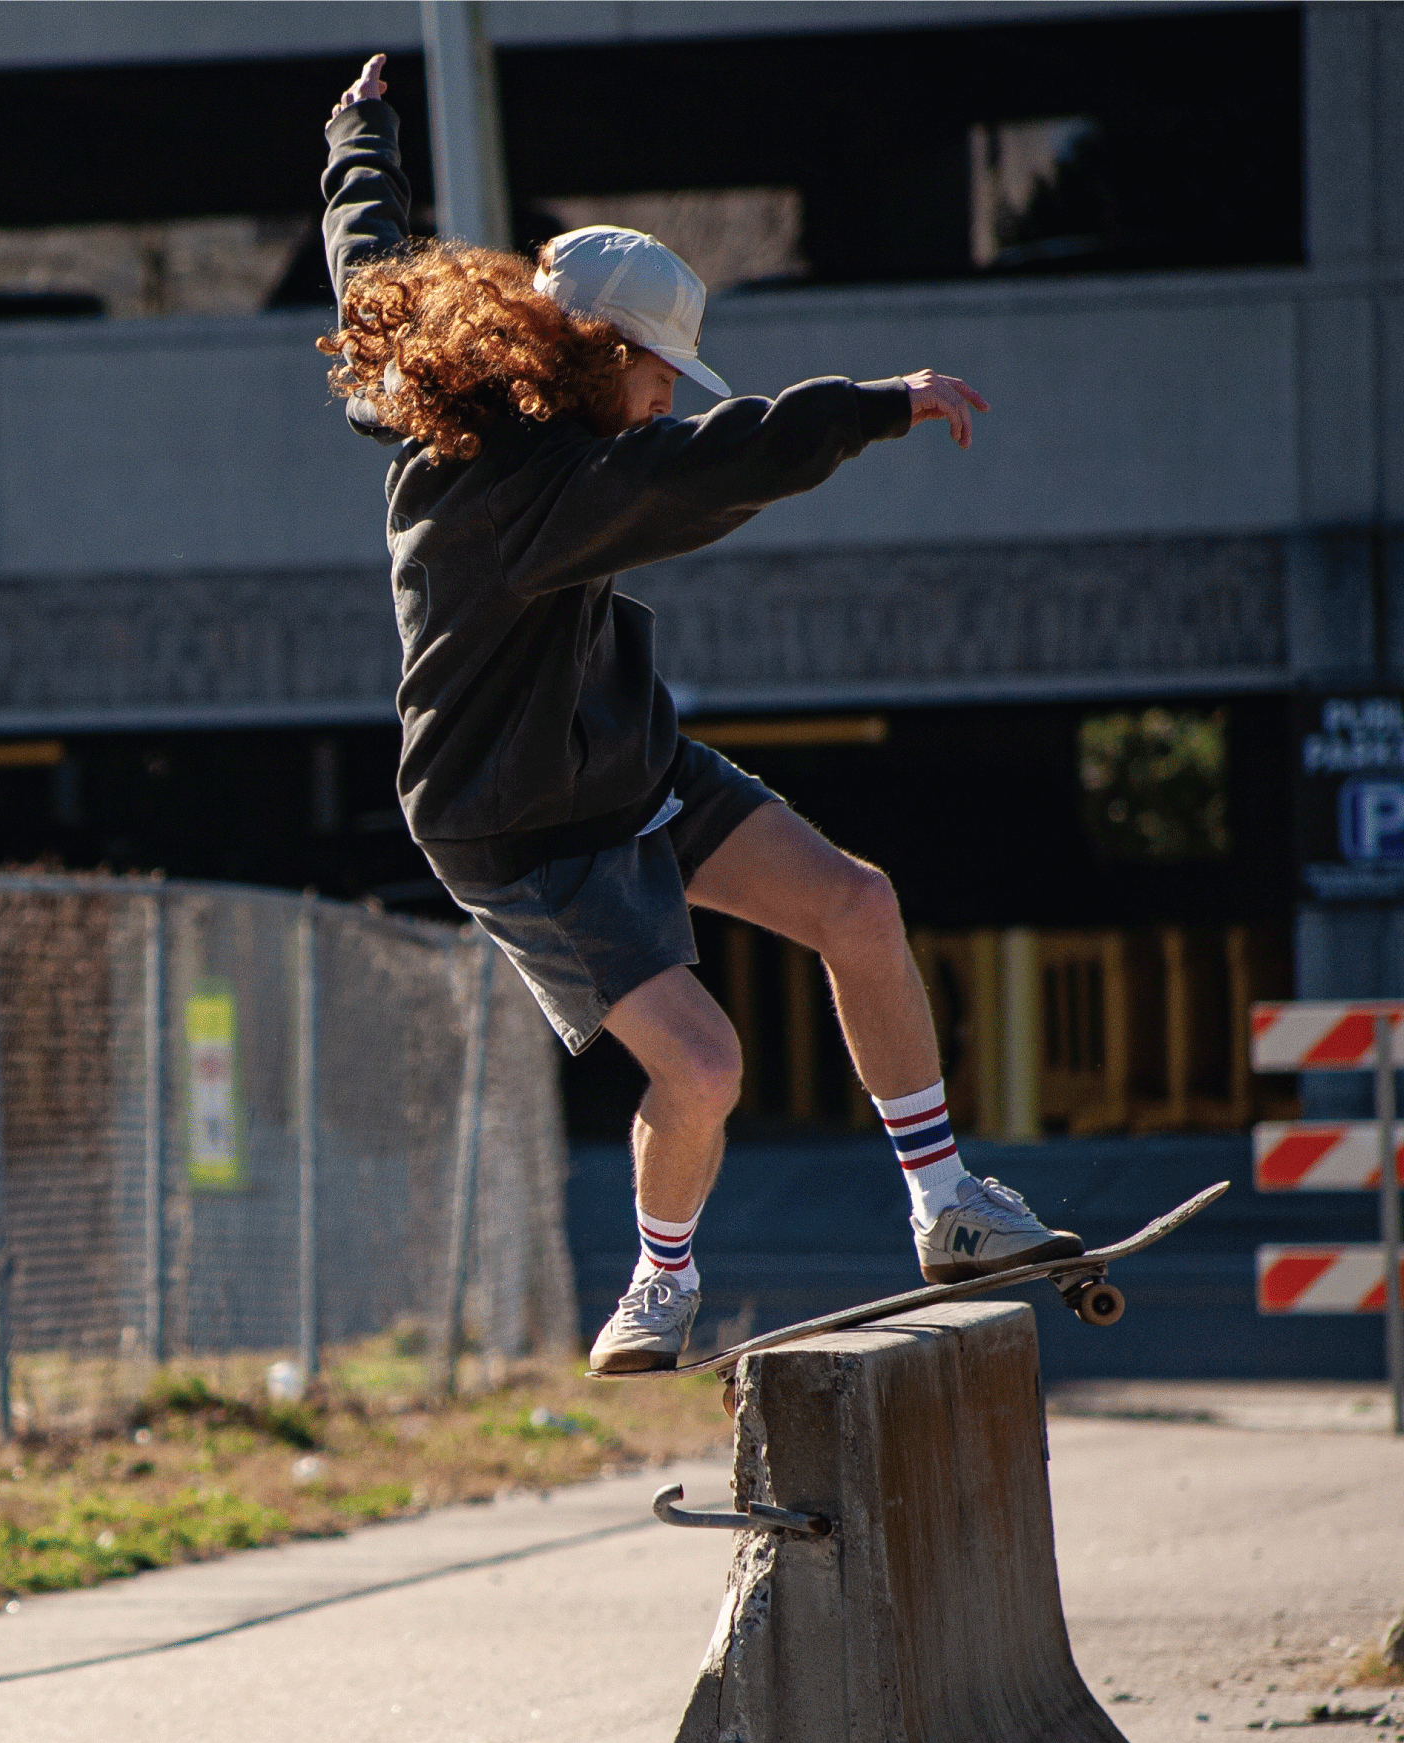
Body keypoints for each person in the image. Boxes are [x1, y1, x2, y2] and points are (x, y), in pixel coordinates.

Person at [318, 55, 1079, 1374]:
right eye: (658, 365)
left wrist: (359, 137)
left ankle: (947, 1204)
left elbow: (368, 264)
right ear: (590, 354)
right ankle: (656, 1287)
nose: (672, 386)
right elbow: (724, 460)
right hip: (516, 826)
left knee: (859, 904)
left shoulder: (468, 406)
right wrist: (879, 404)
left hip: (621, 755)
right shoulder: (526, 490)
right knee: (707, 1068)